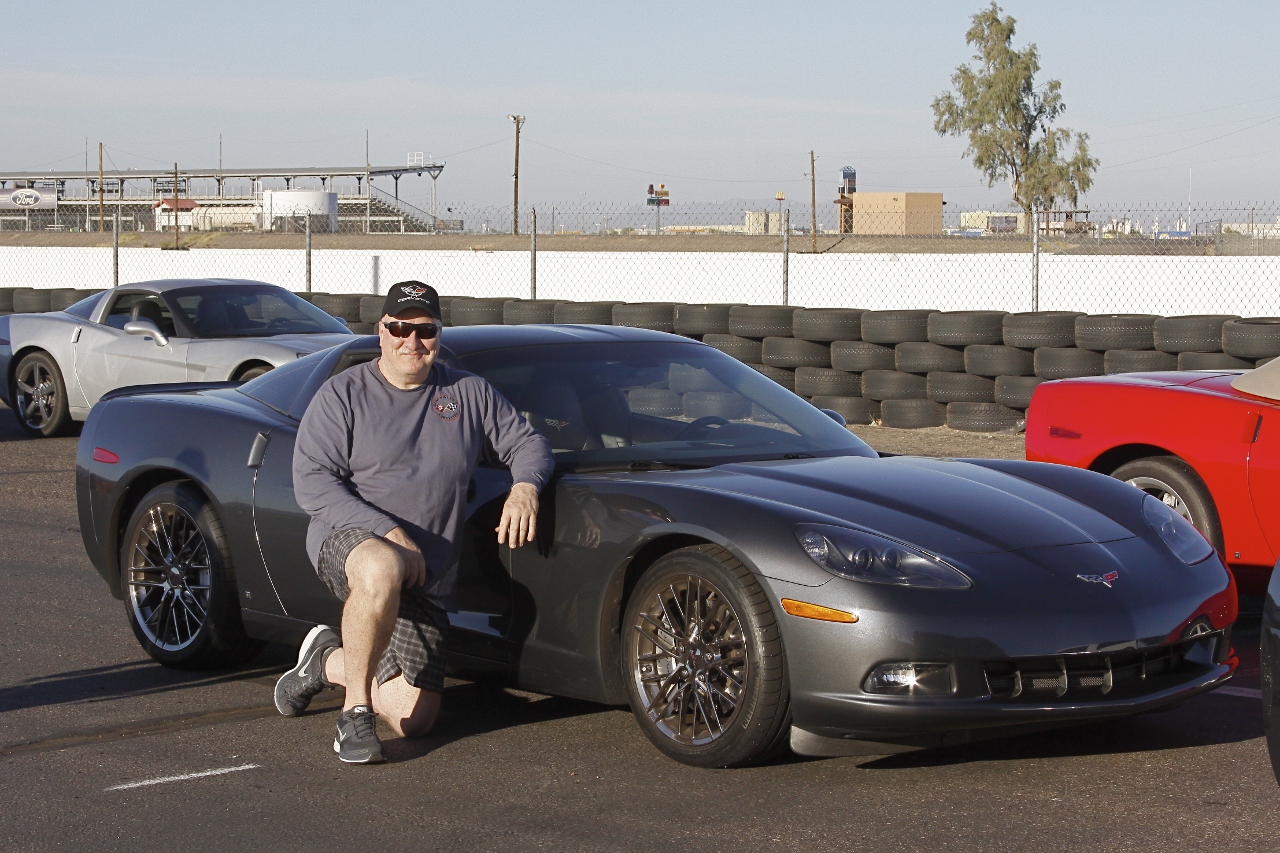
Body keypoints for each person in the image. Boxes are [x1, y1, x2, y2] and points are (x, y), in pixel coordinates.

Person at [273, 280, 554, 764]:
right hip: (350, 540)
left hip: (424, 574)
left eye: (424, 331)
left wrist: (525, 487)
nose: (411, 341)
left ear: (439, 335)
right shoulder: (343, 395)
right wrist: (389, 532)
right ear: (380, 331)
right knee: (382, 568)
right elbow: (313, 484)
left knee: (415, 718)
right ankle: (354, 714)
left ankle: (326, 661)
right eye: (399, 328)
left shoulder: (467, 393)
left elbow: (528, 444)